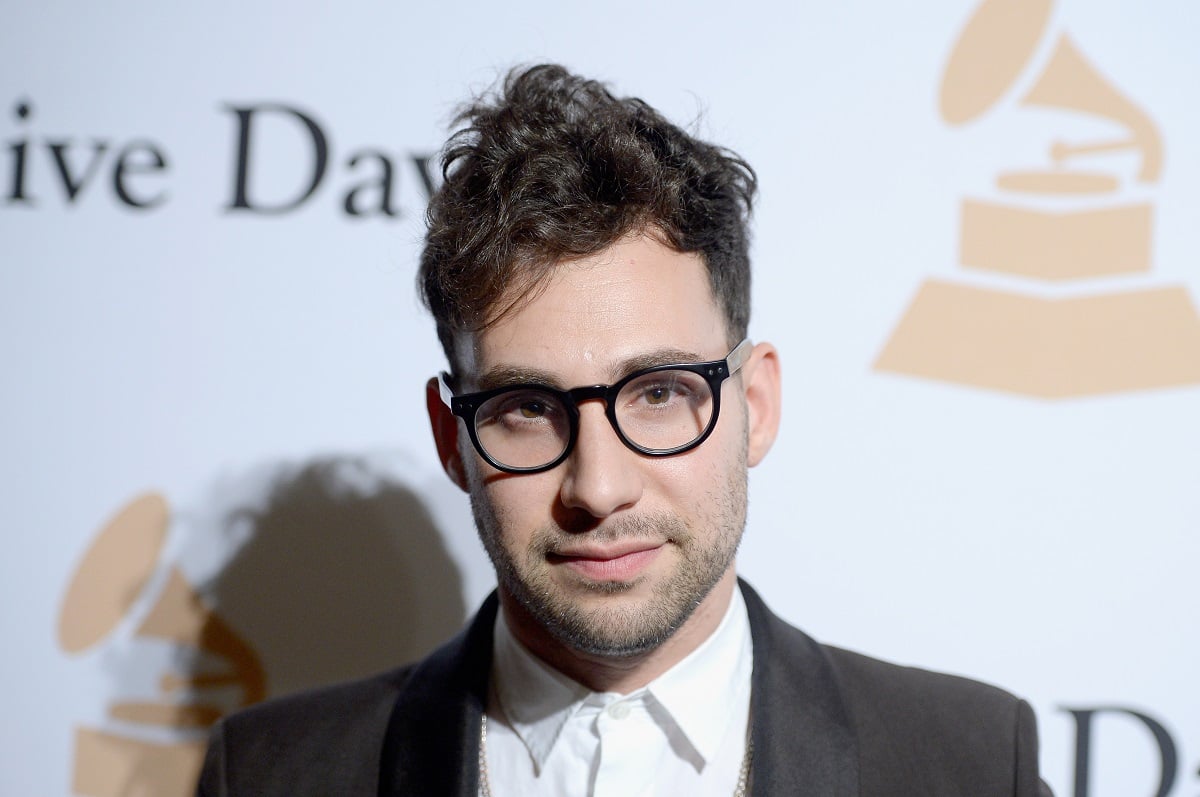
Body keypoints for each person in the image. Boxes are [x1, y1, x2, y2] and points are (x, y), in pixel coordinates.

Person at [197, 64, 1051, 796]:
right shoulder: (278, 772)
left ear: (754, 405)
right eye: (526, 408)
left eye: (657, 393)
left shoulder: (967, 762)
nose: (599, 487)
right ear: (452, 437)